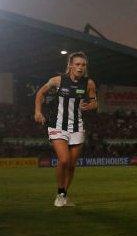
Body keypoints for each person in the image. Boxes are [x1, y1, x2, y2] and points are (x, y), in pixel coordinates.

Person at [33, 52, 97, 207]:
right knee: (64, 160)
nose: (80, 67)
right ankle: (61, 192)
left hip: (77, 127)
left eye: (83, 65)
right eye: (77, 64)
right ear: (70, 65)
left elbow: (95, 102)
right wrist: (37, 111)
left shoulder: (89, 83)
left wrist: (89, 106)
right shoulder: (58, 80)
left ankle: (63, 195)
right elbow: (40, 93)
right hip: (57, 125)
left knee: (72, 165)